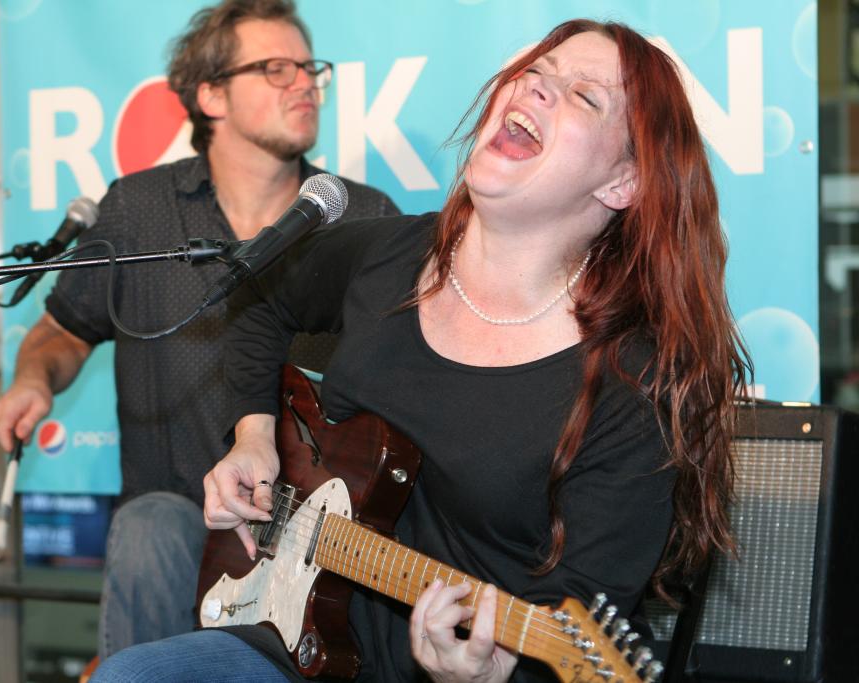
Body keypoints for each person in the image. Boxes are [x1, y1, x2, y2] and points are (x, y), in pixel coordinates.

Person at [91, 17, 750, 683]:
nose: (539, 91)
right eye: (537, 74)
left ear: (623, 183)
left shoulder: (635, 381)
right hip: (298, 643)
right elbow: (260, 298)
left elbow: (579, 628)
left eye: (585, 97)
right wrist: (253, 436)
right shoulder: (393, 255)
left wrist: (489, 674)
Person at [0, 0, 400, 662]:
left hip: (313, 541)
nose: (305, 83)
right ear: (210, 95)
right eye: (275, 68)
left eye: (310, 68)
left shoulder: (364, 217)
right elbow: (62, 330)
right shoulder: (136, 211)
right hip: (179, 527)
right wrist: (34, 377)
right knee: (149, 525)